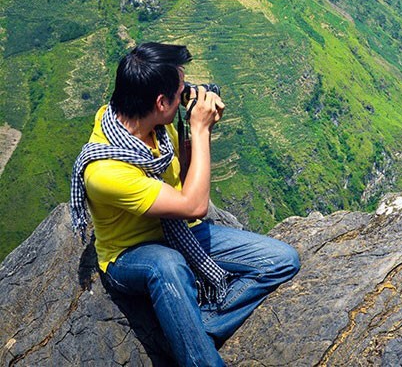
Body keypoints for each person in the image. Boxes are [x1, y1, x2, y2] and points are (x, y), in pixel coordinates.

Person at [69, 42, 300, 366]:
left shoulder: (151, 123)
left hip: (180, 230)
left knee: (282, 260)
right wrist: (200, 130)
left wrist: (196, 125)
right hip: (130, 254)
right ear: (161, 102)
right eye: (180, 92)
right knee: (167, 265)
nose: (186, 95)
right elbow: (194, 206)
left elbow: (187, 176)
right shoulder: (105, 171)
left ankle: (192, 329)